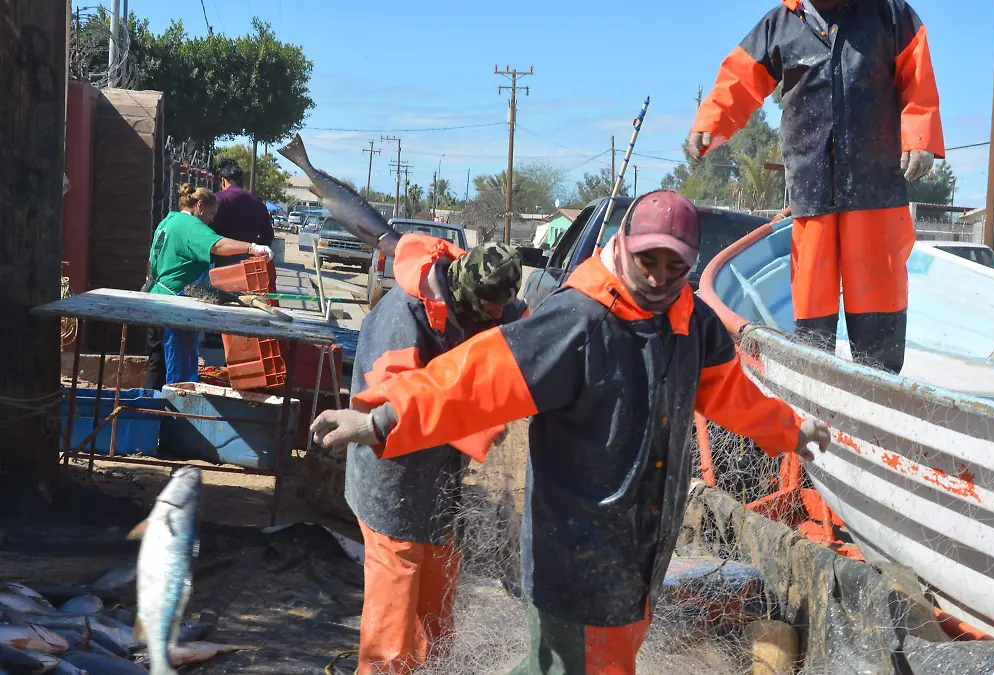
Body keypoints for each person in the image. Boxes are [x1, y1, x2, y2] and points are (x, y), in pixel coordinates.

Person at [311, 190, 831, 674]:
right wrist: (379, 420)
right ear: (623, 244)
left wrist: (789, 431)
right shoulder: (577, 321)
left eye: (674, 266)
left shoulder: (692, 323)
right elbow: (472, 381)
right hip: (575, 560)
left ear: (691, 265)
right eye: (648, 260)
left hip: (640, 557)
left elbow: (729, 395)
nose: (657, 277)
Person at [688, 0, 945, 374]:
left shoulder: (888, 13)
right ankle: (813, 385)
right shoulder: (781, 24)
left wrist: (919, 138)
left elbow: (916, 74)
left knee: (880, 295)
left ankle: (880, 388)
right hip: (812, 188)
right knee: (811, 301)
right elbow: (741, 77)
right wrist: (712, 120)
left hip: (876, 190)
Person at [338, 235, 526, 675]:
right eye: (489, 310)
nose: (495, 317)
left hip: (442, 478)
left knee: (438, 591)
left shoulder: (476, 300)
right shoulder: (401, 319)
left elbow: (518, 336)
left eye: (501, 308)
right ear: (464, 292)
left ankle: (432, 669)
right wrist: (481, 424)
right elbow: (391, 410)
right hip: (391, 477)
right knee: (396, 595)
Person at [143, 185, 274, 389]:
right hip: (175, 309)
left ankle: (147, 409)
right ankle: (171, 414)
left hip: (155, 301)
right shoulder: (191, 226)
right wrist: (252, 247)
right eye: (211, 214)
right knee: (178, 373)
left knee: (157, 363)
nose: (211, 221)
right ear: (200, 206)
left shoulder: (167, 222)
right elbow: (218, 245)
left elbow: (151, 264)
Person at [211, 158, 274, 268]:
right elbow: (268, 234)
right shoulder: (257, 203)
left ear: (223, 181)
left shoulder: (218, 199)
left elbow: (208, 230)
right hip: (248, 265)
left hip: (220, 263)